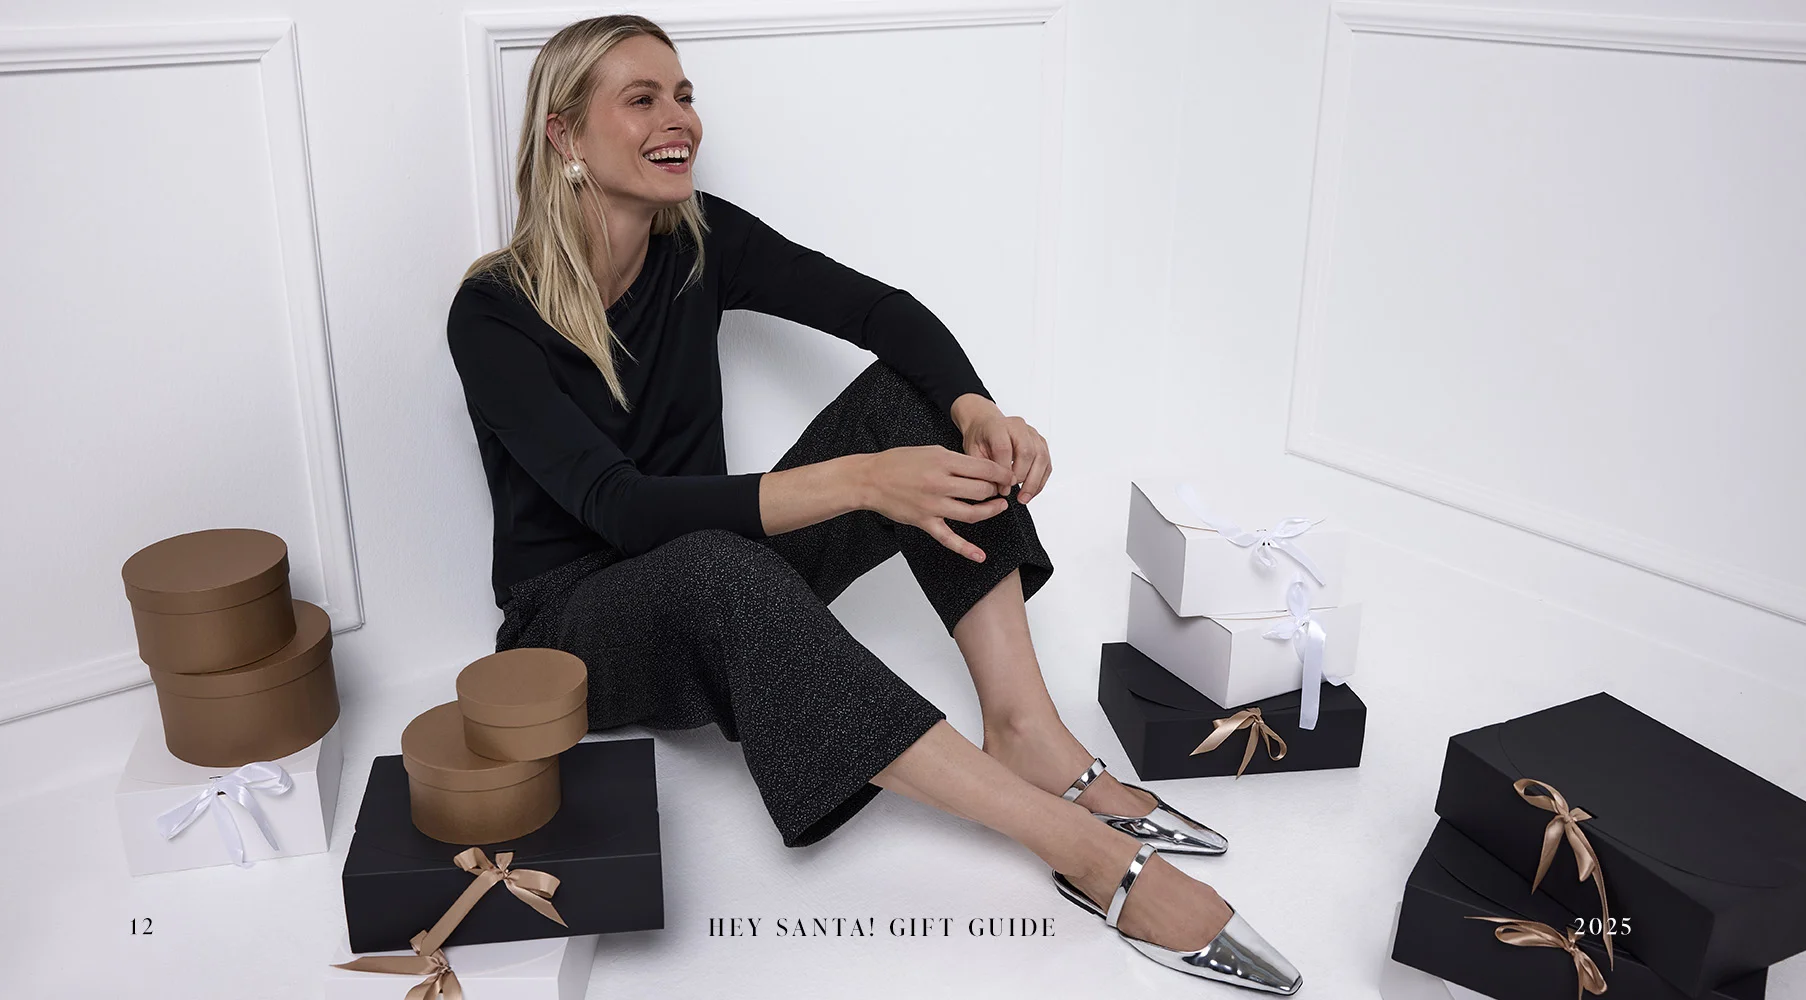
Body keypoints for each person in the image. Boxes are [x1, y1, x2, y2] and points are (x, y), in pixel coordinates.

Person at [444, 14, 1301, 994]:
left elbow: (878, 311)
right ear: (563, 133)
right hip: (572, 630)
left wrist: (975, 408)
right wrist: (864, 480)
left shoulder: (699, 240)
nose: (678, 119)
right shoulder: (492, 312)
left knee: (910, 402)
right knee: (724, 556)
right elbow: (621, 509)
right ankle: (1082, 848)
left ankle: (1028, 732)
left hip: (717, 571)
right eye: (642, 99)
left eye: (683, 95)